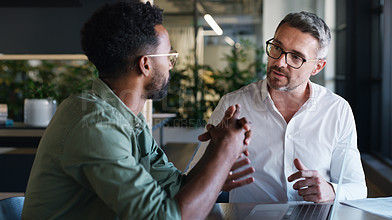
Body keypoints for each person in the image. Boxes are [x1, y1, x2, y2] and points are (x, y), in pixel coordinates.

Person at [21, 1, 254, 219]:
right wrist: (225, 152)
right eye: (169, 57)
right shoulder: (95, 125)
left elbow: (175, 188)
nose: (172, 66)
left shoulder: (129, 119)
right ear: (146, 64)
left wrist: (216, 149)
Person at [187, 11, 367, 203]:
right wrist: (215, 177)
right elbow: (192, 181)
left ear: (317, 68)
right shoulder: (233, 106)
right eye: (276, 48)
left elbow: (357, 188)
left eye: (296, 57)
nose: (279, 62)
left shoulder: (337, 110)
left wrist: (332, 191)